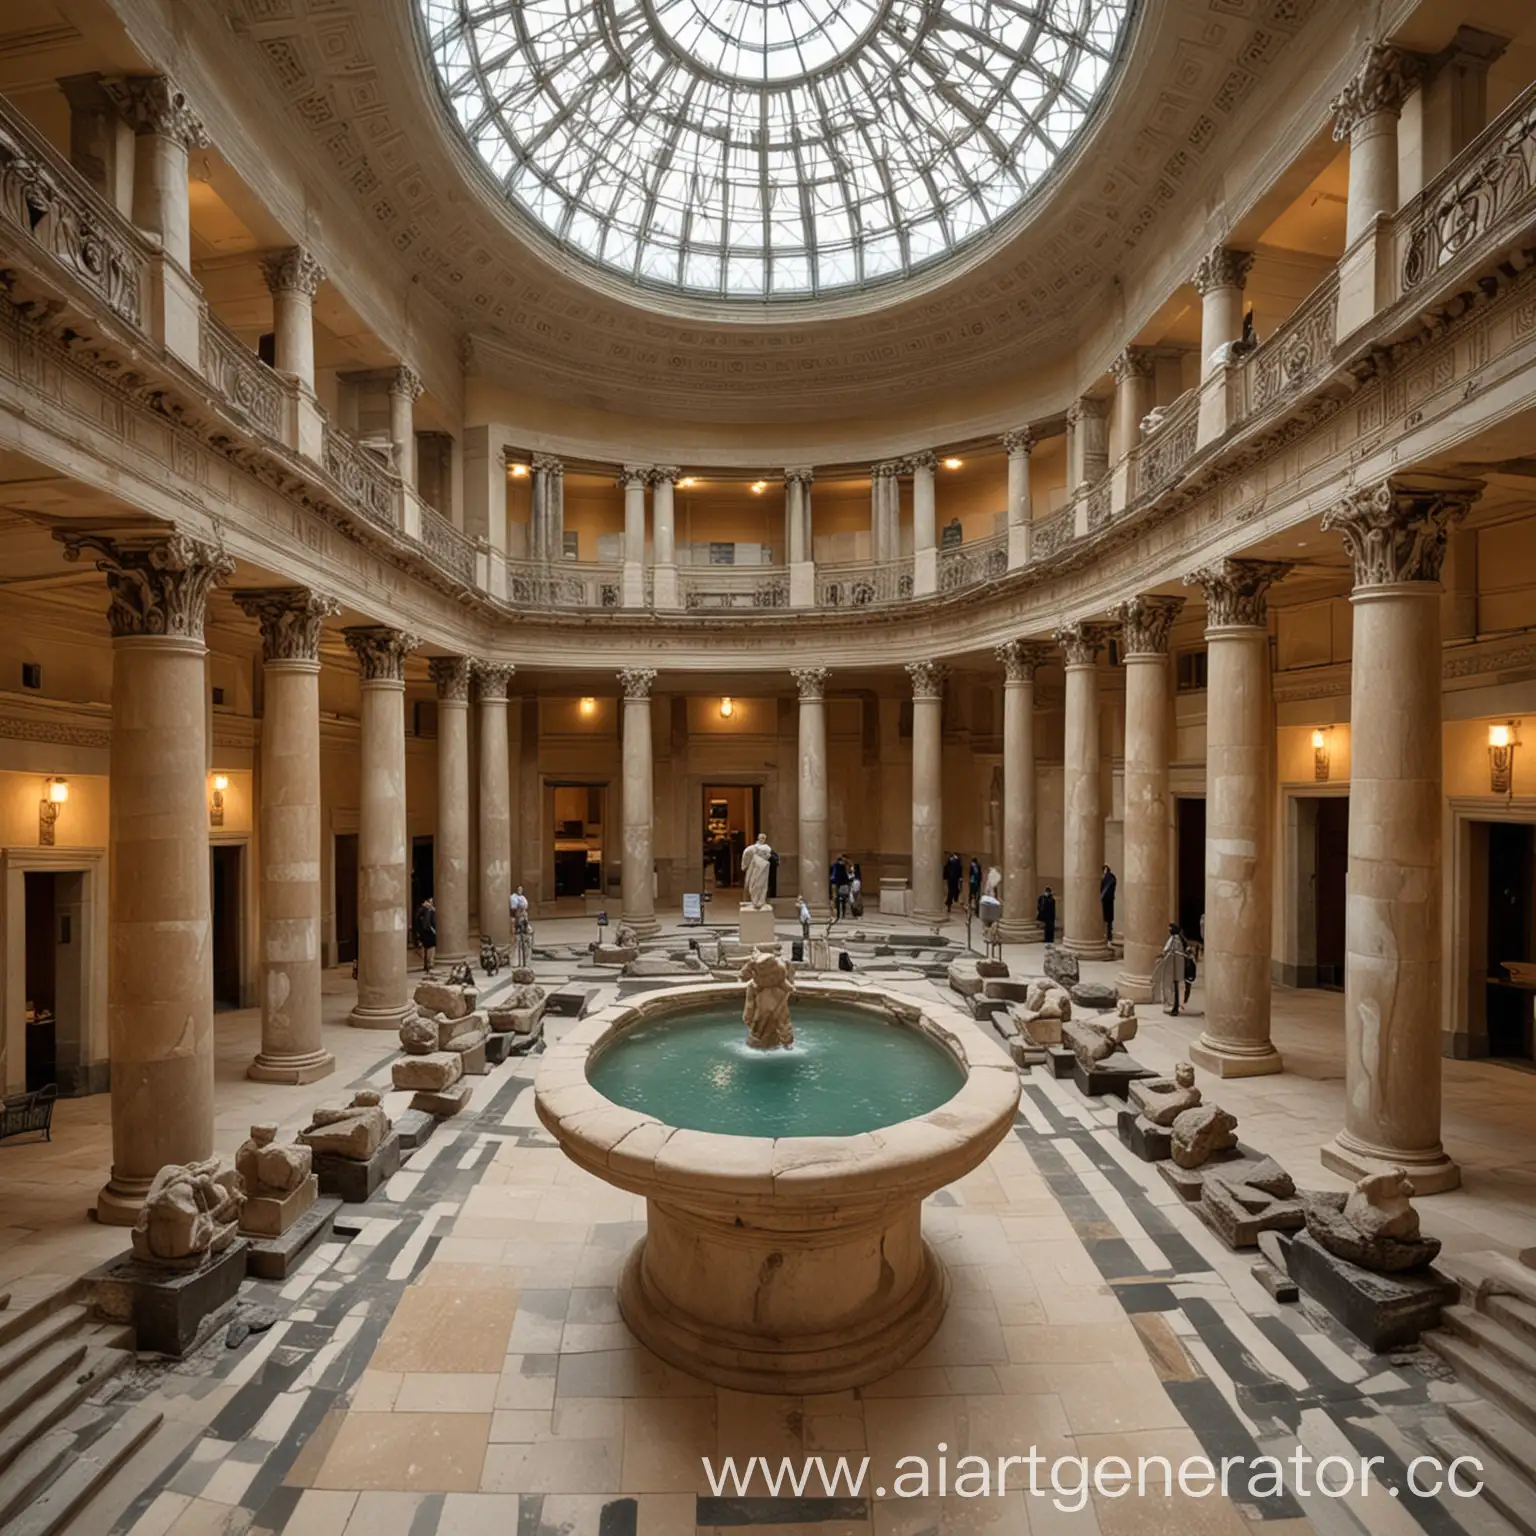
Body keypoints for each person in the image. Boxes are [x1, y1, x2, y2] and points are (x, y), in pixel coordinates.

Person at [1153, 923, 1194, 1015]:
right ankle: (1173, 1007)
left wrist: (1161, 955)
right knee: (1174, 988)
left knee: (1173, 989)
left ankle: (1174, 1008)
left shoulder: (1175, 939)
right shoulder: (1179, 939)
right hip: (1176, 967)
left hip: (1174, 967)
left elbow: (1168, 950)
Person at [412, 895, 437, 976]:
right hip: (429, 932)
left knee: (425, 948)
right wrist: (434, 930)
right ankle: (430, 963)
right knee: (431, 948)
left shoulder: (420, 911)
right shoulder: (429, 911)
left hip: (422, 932)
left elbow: (417, 921)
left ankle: (426, 964)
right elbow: (429, 922)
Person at [1100, 864, 1117, 944]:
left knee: (1108, 920)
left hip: (1107, 901)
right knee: (1107, 920)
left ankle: (1108, 936)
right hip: (1106, 901)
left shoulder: (1110, 878)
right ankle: (1107, 936)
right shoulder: (1109, 878)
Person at [835, 855, 852, 920]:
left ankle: (839, 915)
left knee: (839, 900)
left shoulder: (836, 866)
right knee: (844, 901)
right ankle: (843, 914)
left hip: (839, 885)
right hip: (844, 885)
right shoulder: (842, 867)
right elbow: (846, 877)